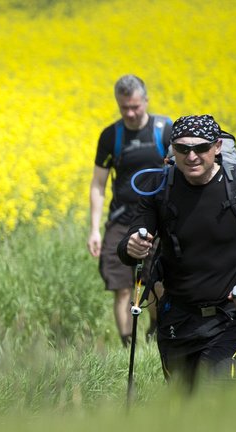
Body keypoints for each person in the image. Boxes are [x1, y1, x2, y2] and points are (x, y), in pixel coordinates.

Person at [118, 115, 236, 391]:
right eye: (182, 149)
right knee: (183, 410)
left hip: (229, 320)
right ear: (172, 149)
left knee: (213, 398)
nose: (191, 156)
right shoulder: (160, 189)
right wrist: (132, 246)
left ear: (217, 147)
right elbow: (129, 248)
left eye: (201, 148)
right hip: (177, 322)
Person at [89, 75, 172, 346]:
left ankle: (155, 333)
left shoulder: (164, 129)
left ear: (146, 101)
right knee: (122, 287)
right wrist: (94, 229)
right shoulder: (111, 135)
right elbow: (98, 185)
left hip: (160, 220)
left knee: (157, 284)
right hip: (122, 220)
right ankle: (128, 344)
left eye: (136, 106)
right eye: (124, 107)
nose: (131, 113)